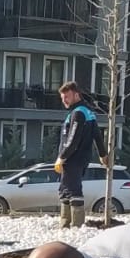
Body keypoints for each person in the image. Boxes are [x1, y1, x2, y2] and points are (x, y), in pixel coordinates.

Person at [53, 81, 98, 228]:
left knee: (72, 190)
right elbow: (97, 135)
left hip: (73, 158)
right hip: (80, 158)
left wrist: (62, 157)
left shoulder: (78, 113)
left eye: (67, 96)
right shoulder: (88, 112)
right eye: (62, 98)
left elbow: (73, 139)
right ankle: (66, 223)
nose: (64, 100)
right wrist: (103, 154)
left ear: (76, 94)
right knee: (66, 188)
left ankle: (74, 224)